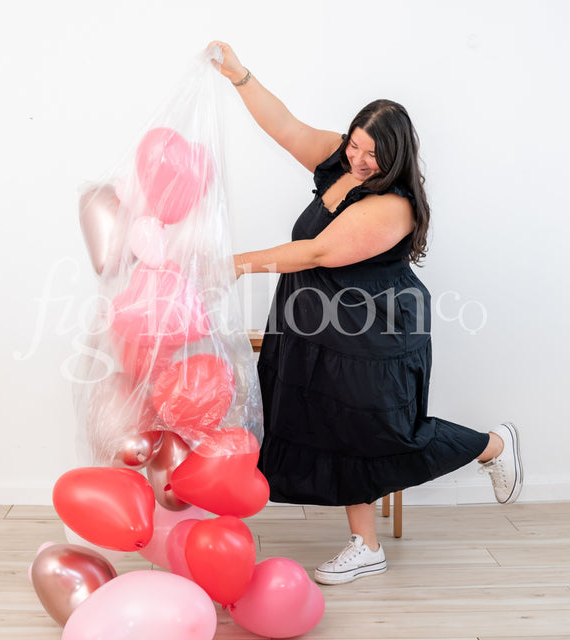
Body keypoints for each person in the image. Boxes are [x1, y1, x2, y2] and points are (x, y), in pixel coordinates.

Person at [209, 41, 524, 586]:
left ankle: (493, 445)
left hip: (371, 330)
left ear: (397, 157)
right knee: (330, 428)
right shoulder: (340, 161)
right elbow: (284, 126)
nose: (359, 159)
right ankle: (367, 546)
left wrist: (236, 263)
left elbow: (319, 252)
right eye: (355, 144)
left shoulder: (394, 205)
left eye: (373, 153)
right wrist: (239, 75)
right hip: (315, 325)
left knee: (379, 434)